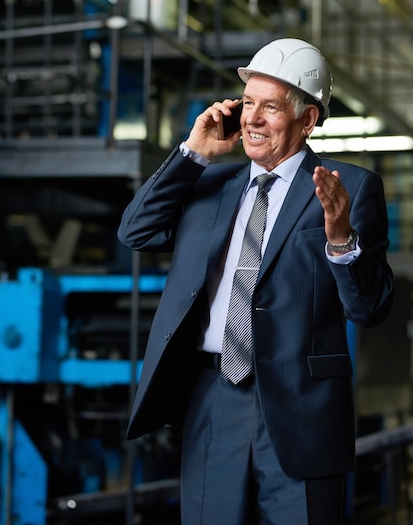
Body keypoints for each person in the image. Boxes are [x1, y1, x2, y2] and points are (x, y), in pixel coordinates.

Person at [117, 37, 394, 525]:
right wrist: (192, 154)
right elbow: (136, 231)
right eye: (248, 103)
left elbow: (369, 309)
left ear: (307, 119)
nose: (252, 118)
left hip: (301, 408)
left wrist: (341, 239)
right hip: (213, 396)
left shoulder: (349, 188)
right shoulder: (206, 187)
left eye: (270, 107)